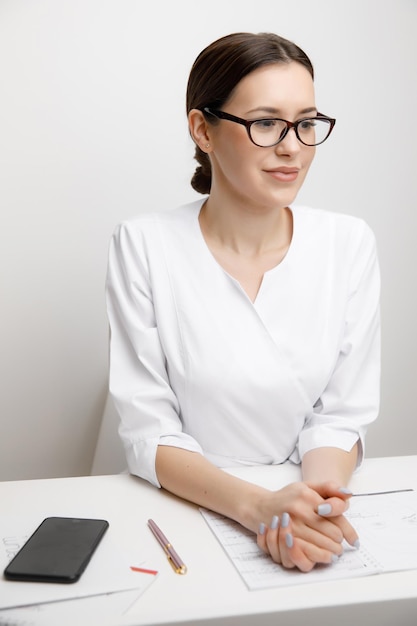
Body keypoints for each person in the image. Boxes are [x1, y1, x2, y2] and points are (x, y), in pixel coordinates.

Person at [106, 32, 380, 571]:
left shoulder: (348, 243)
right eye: (265, 123)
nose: (292, 147)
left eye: (306, 122)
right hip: (181, 504)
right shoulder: (143, 243)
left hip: (299, 490)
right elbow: (149, 431)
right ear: (202, 129)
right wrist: (258, 508)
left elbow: (341, 415)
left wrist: (315, 507)